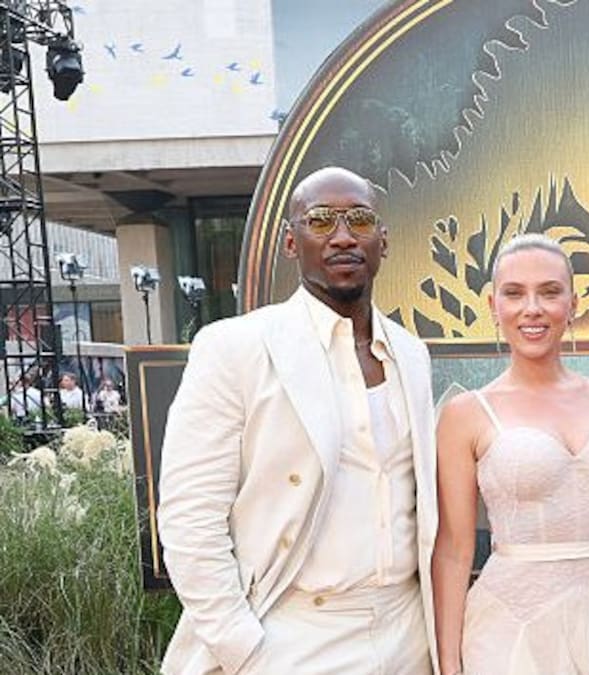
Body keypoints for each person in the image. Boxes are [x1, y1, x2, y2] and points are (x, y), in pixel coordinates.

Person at [157, 167, 437, 674]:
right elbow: (189, 517)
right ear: (291, 242)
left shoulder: (411, 354)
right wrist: (243, 648)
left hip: (407, 632)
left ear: (383, 241)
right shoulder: (235, 348)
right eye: (321, 221)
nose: (343, 236)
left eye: (359, 220)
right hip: (294, 633)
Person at [433, 233, 589, 675]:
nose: (532, 308)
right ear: (493, 305)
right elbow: (454, 550)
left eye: (550, 292)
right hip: (511, 632)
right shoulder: (466, 413)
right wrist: (449, 663)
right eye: (514, 293)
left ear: (574, 303)